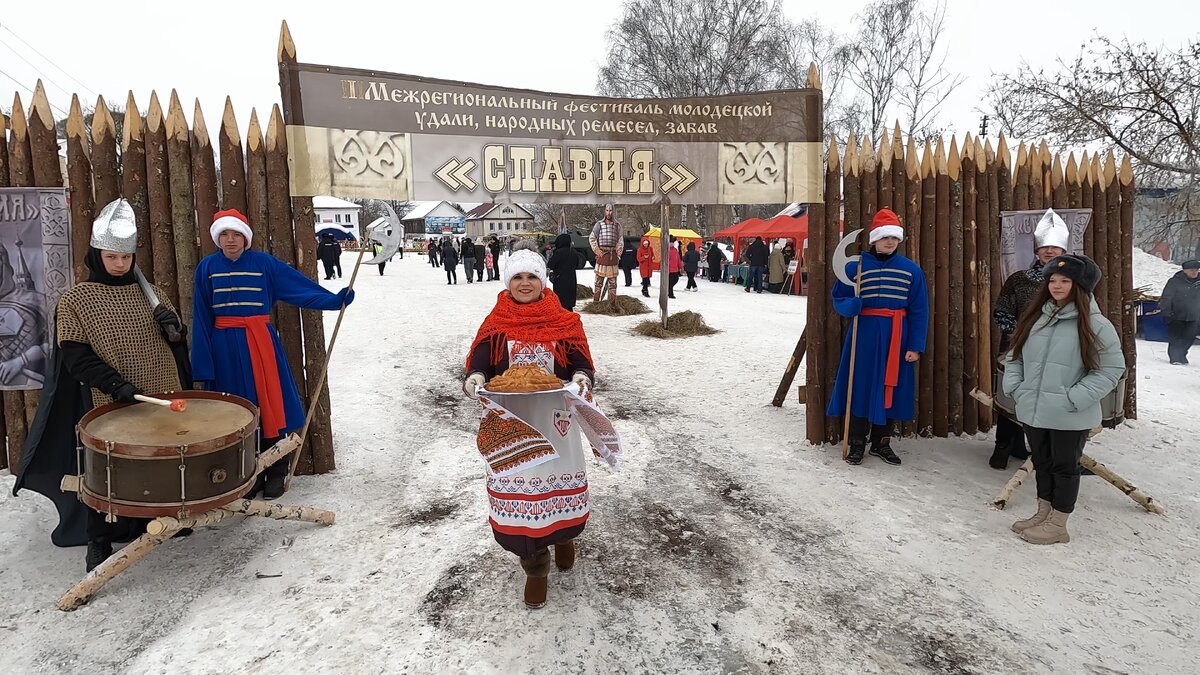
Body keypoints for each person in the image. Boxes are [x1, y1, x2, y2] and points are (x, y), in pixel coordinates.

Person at [13, 198, 192, 570]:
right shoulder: (76, 299)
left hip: (160, 387)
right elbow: (75, 357)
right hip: (107, 395)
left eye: (125, 258)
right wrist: (115, 384)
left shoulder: (151, 292)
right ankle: (98, 537)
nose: (120, 265)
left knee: (161, 459)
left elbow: (175, 345)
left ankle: (160, 517)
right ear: (97, 254)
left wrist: (174, 331)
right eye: (112, 257)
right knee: (104, 468)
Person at [462, 243, 596, 609]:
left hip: (557, 421)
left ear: (542, 280)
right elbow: (480, 362)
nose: (525, 283)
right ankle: (535, 567)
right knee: (519, 488)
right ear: (508, 282)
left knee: (557, 484)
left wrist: (582, 377)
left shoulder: (565, 320)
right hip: (511, 422)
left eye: (532, 276)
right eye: (517, 277)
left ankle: (564, 537)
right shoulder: (495, 323)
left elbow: (581, 362)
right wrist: (475, 376)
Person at [192, 209, 354, 500]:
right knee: (237, 412)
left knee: (269, 405)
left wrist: (333, 299)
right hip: (224, 347)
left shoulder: (264, 264)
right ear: (217, 238)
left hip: (260, 345)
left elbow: (297, 288)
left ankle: (276, 471)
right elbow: (201, 317)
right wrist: (204, 366)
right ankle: (250, 475)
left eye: (236, 234)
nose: (231, 240)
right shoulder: (207, 268)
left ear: (245, 237)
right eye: (225, 234)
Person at [1004, 254, 1125, 545]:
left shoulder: (1097, 325)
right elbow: (1015, 355)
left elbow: (1111, 369)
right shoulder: (1037, 317)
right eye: (1053, 280)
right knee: (1042, 463)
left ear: (1080, 286)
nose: (1056, 286)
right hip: (1034, 409)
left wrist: (1074, 398)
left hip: (1070, 413)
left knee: (1065, 467)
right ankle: (1043, 513)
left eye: (1065, 281)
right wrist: (1016, 387)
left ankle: (1059, 524)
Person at [827, 209, 929, 466]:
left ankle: (881, 443)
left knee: (891, 387)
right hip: (864, 335)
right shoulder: (854, 266)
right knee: (860, 386)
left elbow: (919, 310)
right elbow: (838, 297)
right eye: (885, 237)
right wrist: (851, 306)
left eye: (894, 237)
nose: (890, 242)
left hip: (898, 336)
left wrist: (915, 345)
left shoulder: (911, 271)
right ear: (873, 238)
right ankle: (857, 443)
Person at [989, 208, 1068, 469]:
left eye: (1054, 248)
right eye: (1044, 247)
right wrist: (1020, 335)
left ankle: (1030, 445)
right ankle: (1003, 445)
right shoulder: (1019, 280)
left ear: (1063, 252)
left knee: (1040, 398)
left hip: (1054, 353)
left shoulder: (1070, 285)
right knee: (1010, 394)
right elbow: (1001, 311)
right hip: (1017, 348)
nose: (1049, 252)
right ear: (1036, 250)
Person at [1160, 259, 1200, 365]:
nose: (1194, 272)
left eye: (1196, 270)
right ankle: (1175, 358)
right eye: (1192, 270)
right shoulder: (1174, 281)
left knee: (1189, 337)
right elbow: (1166, 298)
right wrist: (1167, 312)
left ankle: (1182, 355)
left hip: (1194, 316)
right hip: (1176, 314)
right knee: (1175, 338)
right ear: (1185, 271)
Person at [590, 204, 621, 302]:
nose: (609, 213)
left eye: (611, 211)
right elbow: (592, 238)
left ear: (613, 212)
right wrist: (596, 250)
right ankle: (596, 303)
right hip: (602, 255)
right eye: (607, 210)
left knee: (612, 283)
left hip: (612, 256)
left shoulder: (617, 225)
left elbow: (620, 240)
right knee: (598, 281)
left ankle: (611, 304)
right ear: (605, 211)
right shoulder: (599, 224)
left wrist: (619, 250)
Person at [546, 233, 580, 310]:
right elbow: (577, 264)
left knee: (561, 301)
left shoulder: (558, 253)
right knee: (569, 301)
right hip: (571, 278)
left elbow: (550, 264)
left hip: (560, 279)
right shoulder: (574, 252)